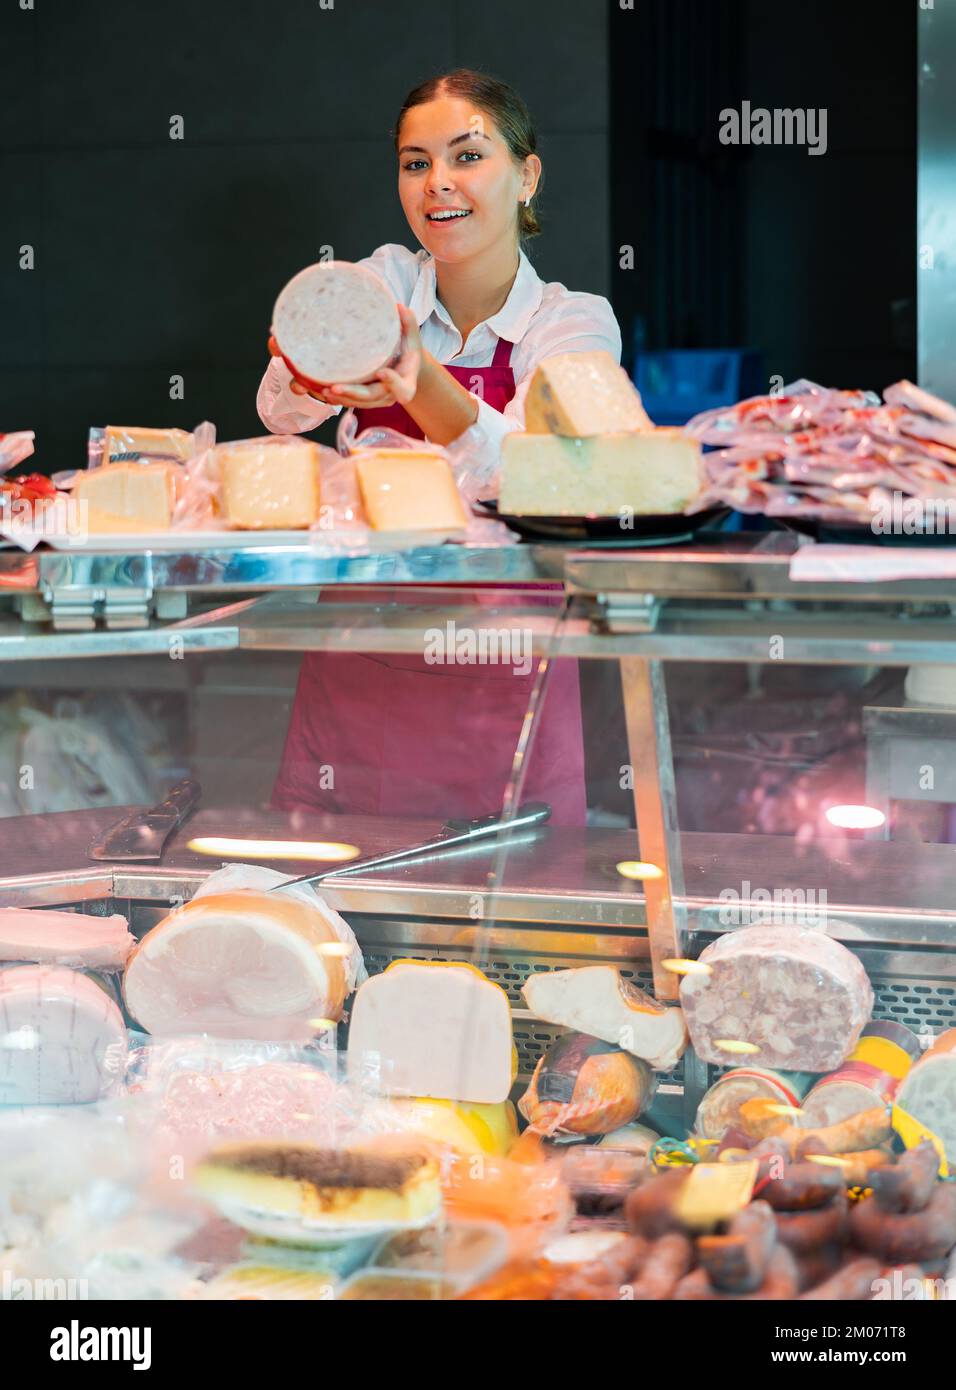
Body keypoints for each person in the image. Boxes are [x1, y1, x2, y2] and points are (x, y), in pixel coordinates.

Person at [258, 68, 622, 825]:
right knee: (337, 906)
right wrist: (315, 375)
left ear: (527, 176)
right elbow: (276, 414)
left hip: (503, 665)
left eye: (467, 157)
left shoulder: (573, 324)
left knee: (515, 915)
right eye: (415, 163)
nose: (437, 184)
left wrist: (410, 375)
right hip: (360, 652)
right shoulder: (384, 277)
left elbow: (524, 476)